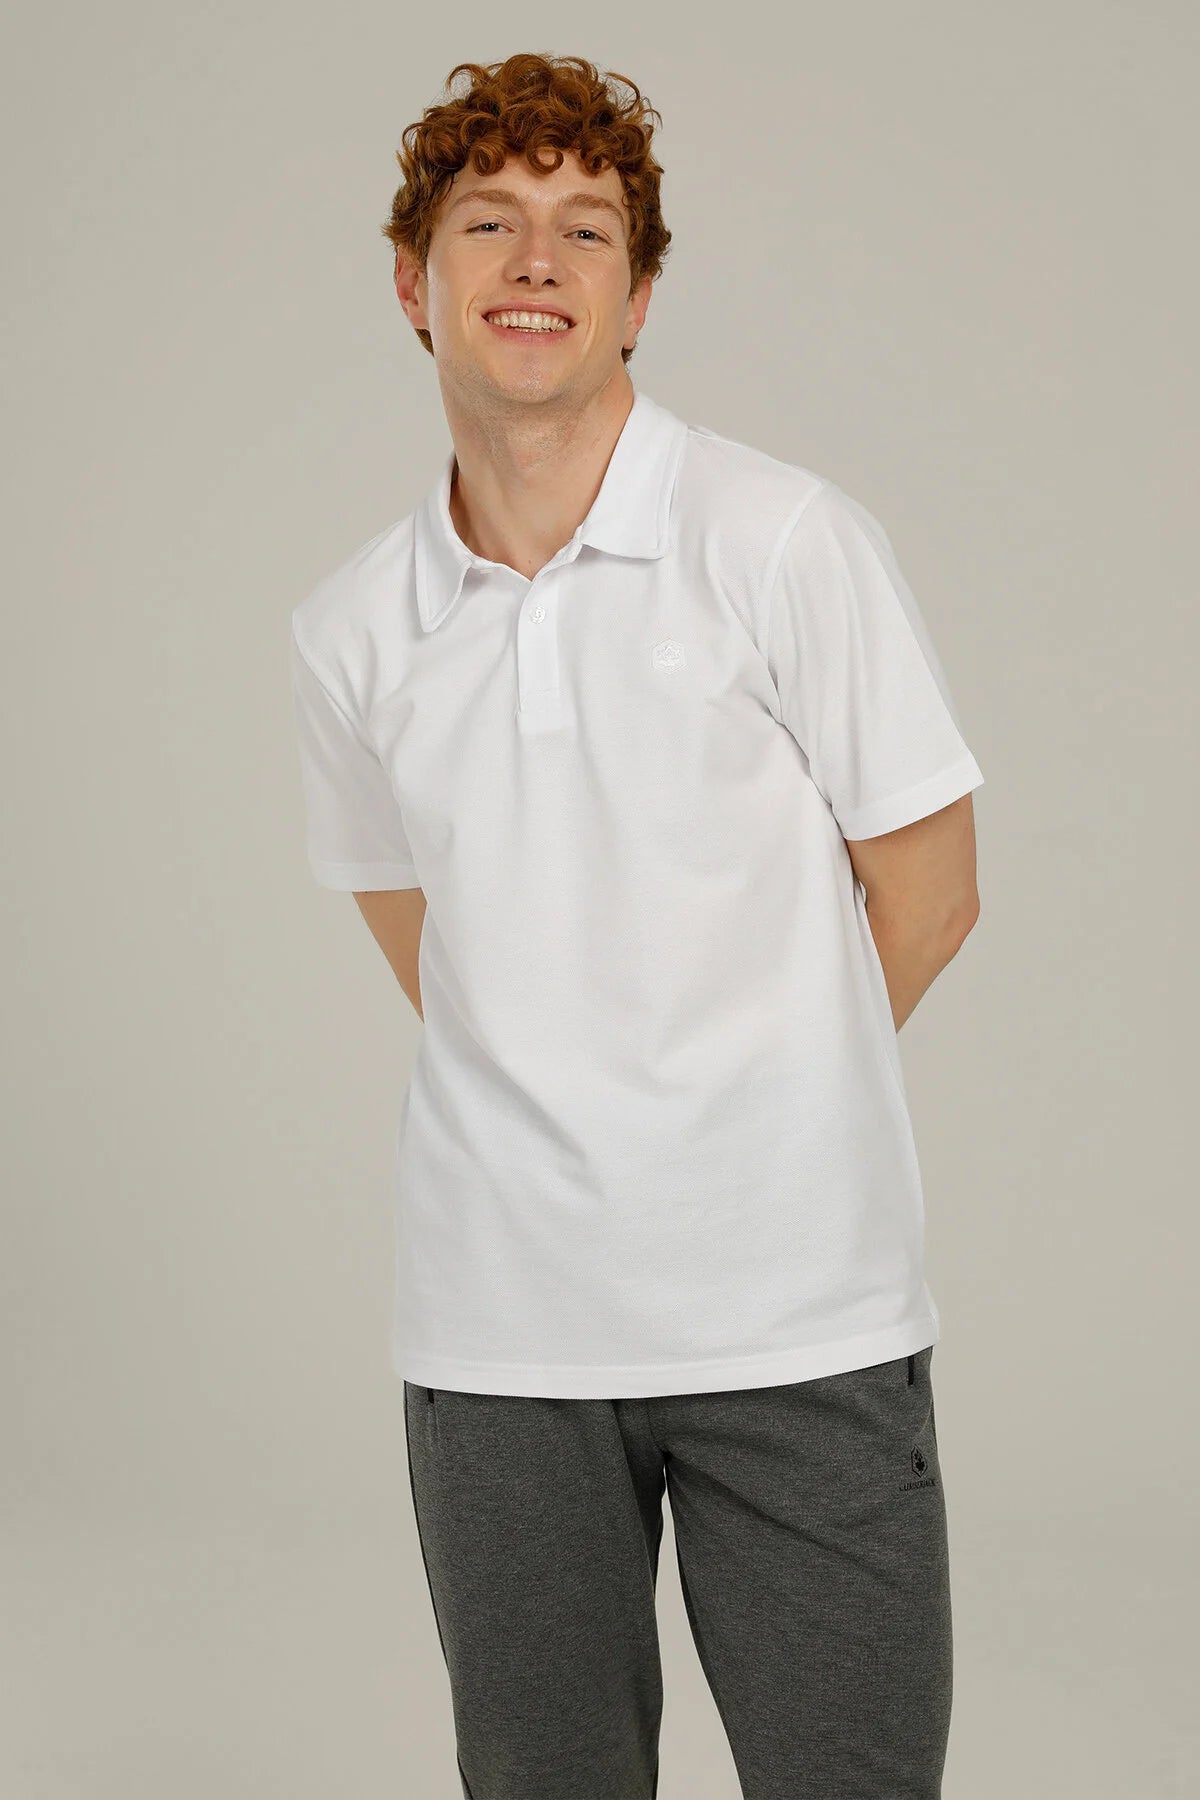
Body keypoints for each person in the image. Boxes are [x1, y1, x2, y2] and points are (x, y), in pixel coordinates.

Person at [288, 50, 984, 1800]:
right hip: (499, 1338)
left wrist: (746, 1104)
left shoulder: (781, 540)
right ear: (412, 281)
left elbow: (932, 887)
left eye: (586, 229)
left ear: (639, 295)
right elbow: (428, 933)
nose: (537, 261)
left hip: (798, 1318)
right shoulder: (352, 630)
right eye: (489, 224)